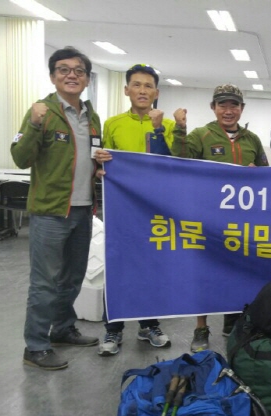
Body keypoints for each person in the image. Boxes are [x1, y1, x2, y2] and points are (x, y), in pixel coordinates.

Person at [11, 47, 100, 370]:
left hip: (83, 210)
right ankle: (35, 346)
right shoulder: (41, 112)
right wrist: (35, 125)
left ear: (87, 79)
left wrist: (100, 165)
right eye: (64, 69)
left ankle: (62, 329)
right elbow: (20, 158)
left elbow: (91, 156)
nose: (71, 75)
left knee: (72, 278)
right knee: (45, 283)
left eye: (79, 70)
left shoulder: (91, 117)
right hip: (50, 212)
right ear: (52, 76)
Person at [171, 84, 269, 353]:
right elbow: (179, 162)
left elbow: (266, 174)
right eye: (222, 105)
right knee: (205, 273)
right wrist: (179, 129)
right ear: (213, 108)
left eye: (233, 105)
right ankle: (201, 328)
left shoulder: (252, 139)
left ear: (241, 109)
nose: (228, 110)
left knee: (238, 271)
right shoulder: (200, 135)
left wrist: (257, 174)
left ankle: (233, 321)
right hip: (207, 218)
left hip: (242, 220)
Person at [93, 64, 175, 356]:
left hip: (155, 209)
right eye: (137, 85)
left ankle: (149, 325)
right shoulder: (113, 124)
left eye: (148, 86)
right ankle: (113, 329)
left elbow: (172, 164)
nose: (142, 91)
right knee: (117, 265)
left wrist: (158, 129)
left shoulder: (168, 126)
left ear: (156, 92)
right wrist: (99, 164)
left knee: (151, 267)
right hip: (122, 208)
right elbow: (103, 161)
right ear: (126, 90)